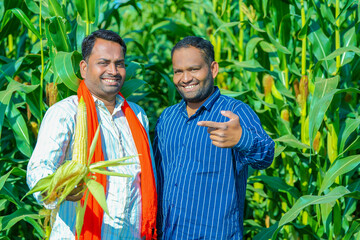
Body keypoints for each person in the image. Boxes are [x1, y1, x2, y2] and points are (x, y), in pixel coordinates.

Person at [27, 29, 157, 240]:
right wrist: (59, 189)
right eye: (103, 63)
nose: (113, 70)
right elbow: (38, 170)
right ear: (84, 68)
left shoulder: (138, 115)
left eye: (120, 63)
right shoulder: (66, 113)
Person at [153, 36, 275, 239]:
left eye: (193, 69)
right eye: (178, 72)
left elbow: (267, 155)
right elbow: (158, 175)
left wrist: (242, 139)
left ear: (213, 69)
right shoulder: (167, 117)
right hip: (169, 233)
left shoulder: (234, 111)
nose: (185, 78)